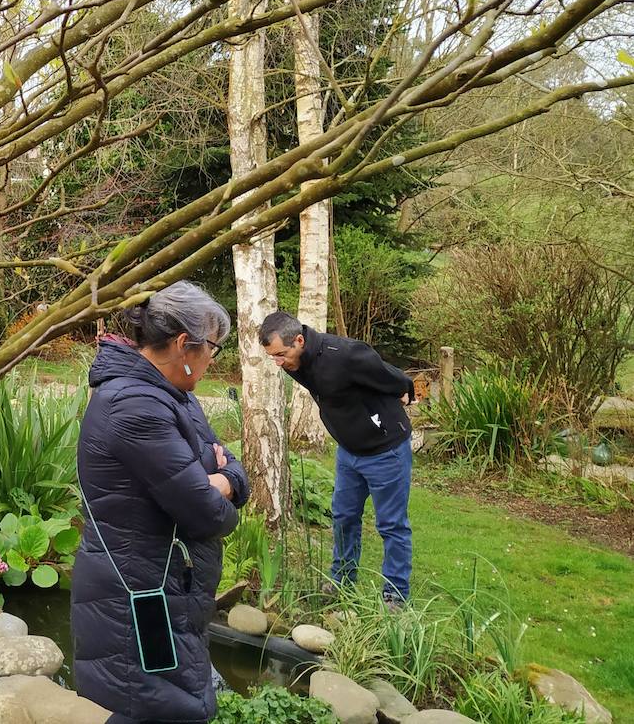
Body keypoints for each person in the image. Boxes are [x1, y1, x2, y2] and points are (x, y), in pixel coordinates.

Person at [72, 282, 249, 724]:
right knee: (162, 704)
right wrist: (221, 485)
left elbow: (230, 464)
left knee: (158, 703)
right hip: (142, 597)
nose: (214, 358)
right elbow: (207, 514)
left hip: (167, 586)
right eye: (213, 347)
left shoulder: (174, 396)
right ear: (182, 345)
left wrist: (222, 479)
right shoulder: (135, 406)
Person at [258, 310, 415, 605]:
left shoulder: (346, 355)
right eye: (272, 357)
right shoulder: (295, 361)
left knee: (391, 525)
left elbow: (386, 373)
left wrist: (406, 388)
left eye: (280, 354)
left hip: (386, 450)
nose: (277, 363)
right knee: (343, 517)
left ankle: (395, 595)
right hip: (348, 453)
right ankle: (341, 581)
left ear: (300, 340)